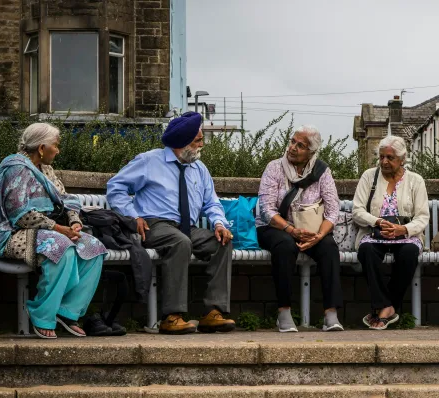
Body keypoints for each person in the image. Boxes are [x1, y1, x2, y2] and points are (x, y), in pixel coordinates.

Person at [107, 111, 236, 335]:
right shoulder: (149, 161)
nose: (202, 144)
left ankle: (213, 312)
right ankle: (172, 316)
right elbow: (115, 188)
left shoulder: (199, 168)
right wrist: (132, 216)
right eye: (198, 140)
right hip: (155, 225)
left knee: (221, 243)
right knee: (180, 242)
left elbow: (212, 203)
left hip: (188, 228)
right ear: (183, 142)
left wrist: (219, 224)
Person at [0, 123, 107, 339]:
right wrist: (60, 229)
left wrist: (73, 221)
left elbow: (66, 199)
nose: (58, 150)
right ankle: (43, 315)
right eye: (56, 146)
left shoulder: (46, 169)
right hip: (14, 233)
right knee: (61, 247)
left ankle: (68, 311)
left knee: (93, 247)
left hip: (48, 229)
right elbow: (20, 215)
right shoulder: (16, 168)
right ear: (42, 148)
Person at [256, 125, 343, 332]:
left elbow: (333, 210)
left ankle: (331, 314)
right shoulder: (274, 167)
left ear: (311, 152)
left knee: (329, 247)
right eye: (292, 141)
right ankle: (284, 312)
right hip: (275, 228)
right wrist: (291, 230)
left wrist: (319, 235)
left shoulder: (322, 171)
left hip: (310, 231)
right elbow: (266, 209)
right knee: (286, 246)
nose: (293, 147)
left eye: (300, 145)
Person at [352, 136, 429, 330]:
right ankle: (387, 307)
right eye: (381, 157)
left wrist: (403, 229)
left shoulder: (415, 181)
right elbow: (357, 210)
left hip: (406, 235)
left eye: (390, 157)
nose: (384, 161)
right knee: (367, 252)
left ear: (402, 159)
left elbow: (422, 216)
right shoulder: (369, 176)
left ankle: (382, 309)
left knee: (409, 254)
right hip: (374, 233)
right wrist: (377, 221)